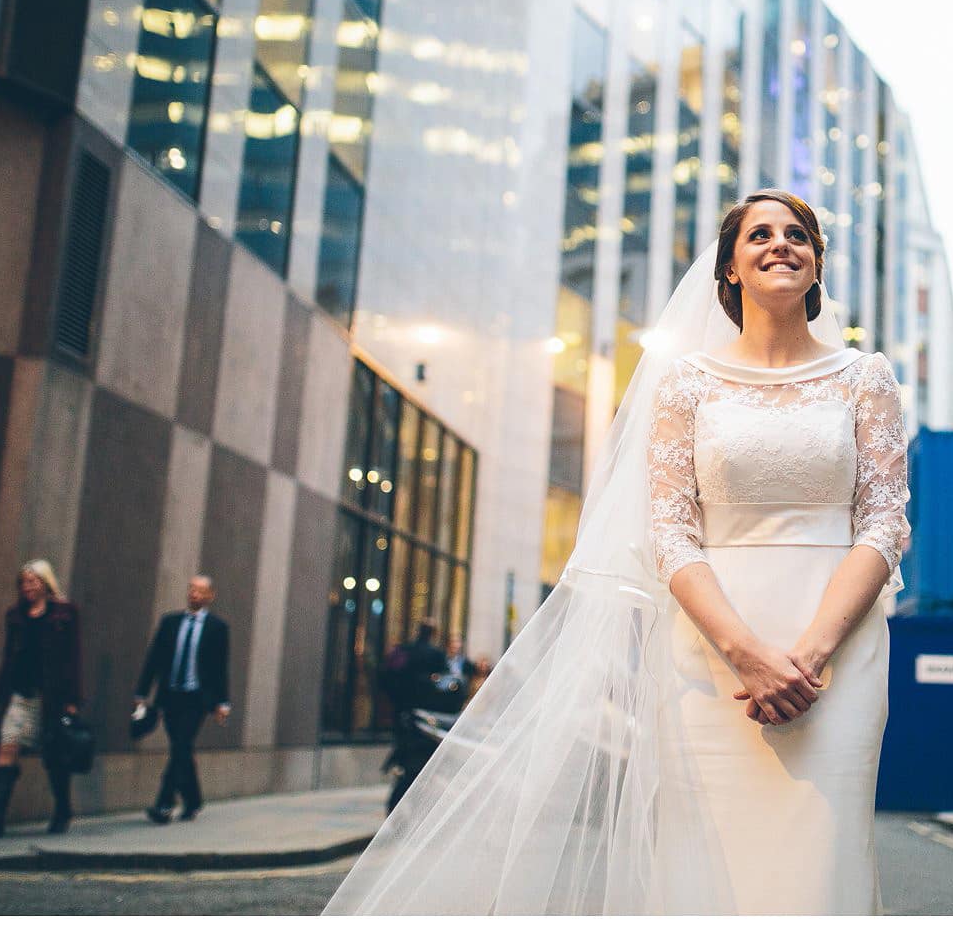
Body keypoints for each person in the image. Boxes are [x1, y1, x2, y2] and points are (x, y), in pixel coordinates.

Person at [326, 189, 910, 914]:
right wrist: (749, 656)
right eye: (759, 234)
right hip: (711, 656)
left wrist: (811, 655)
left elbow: (883, 524)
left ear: (817, 263)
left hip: (839, 659)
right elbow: (669, 532)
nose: (780, 243)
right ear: (729, 266)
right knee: (708, 864)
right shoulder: (686, 382)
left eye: (798, 234)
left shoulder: (865, 378)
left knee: (822, 863)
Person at [0, 560, 83, 837]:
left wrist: (73, 699)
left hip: (50, 698)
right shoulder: (16, 616)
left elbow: (73, 658)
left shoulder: (65, 614)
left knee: (53, 755)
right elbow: (8, 659)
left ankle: (62, 809)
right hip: (20, 695)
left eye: (33, 582)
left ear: (46, 583)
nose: (28, 587)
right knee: (7, 747)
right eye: (24, 582)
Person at [134, 575, 231, 824]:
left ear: (210, 596)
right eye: (191, 589)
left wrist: (223, 702)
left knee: (181, 746)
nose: (194, 594)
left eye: (200, 591)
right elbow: (153, 660)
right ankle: (193, 800)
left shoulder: (217, 628)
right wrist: (142, 693)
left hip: (197, 698)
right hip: (170, 696)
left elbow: (221, 668)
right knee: (182, 748)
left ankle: (164, 804)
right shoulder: (170, 622)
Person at [379, 620, 451, 812]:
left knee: (407, 755)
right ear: (433, 634)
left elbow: (386, 677)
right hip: (424, 715)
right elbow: (446, 683)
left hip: (403, 713)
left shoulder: (404, 651)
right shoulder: (435, 655)